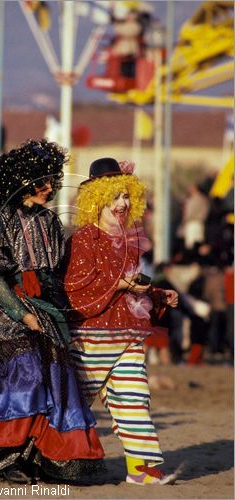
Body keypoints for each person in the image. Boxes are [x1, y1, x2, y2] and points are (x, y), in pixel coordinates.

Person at [0, 139, 105, 485]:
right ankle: (5, 459)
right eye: (41, 182)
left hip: (46, 309)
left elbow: (60, 270)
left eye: (52, 181)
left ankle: (39, 457)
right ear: (19, 182)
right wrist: (22, 314)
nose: (49, 189)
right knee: (20, 384)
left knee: (51, 383)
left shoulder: (50, 220)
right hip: (6, 318)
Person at [63, 157, 179, 485]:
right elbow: (74, 285)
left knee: (135, 400)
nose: (123, 204)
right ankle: (49, 461)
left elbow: (132, 285)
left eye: (127, 196)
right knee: (72, 404)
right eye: (115, 197)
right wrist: (119, 285)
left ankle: (144, 473)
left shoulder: (129, 244)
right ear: (96, 200)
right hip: (91, 337)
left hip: (129, 336)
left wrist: (157, 295)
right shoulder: (83, 239)